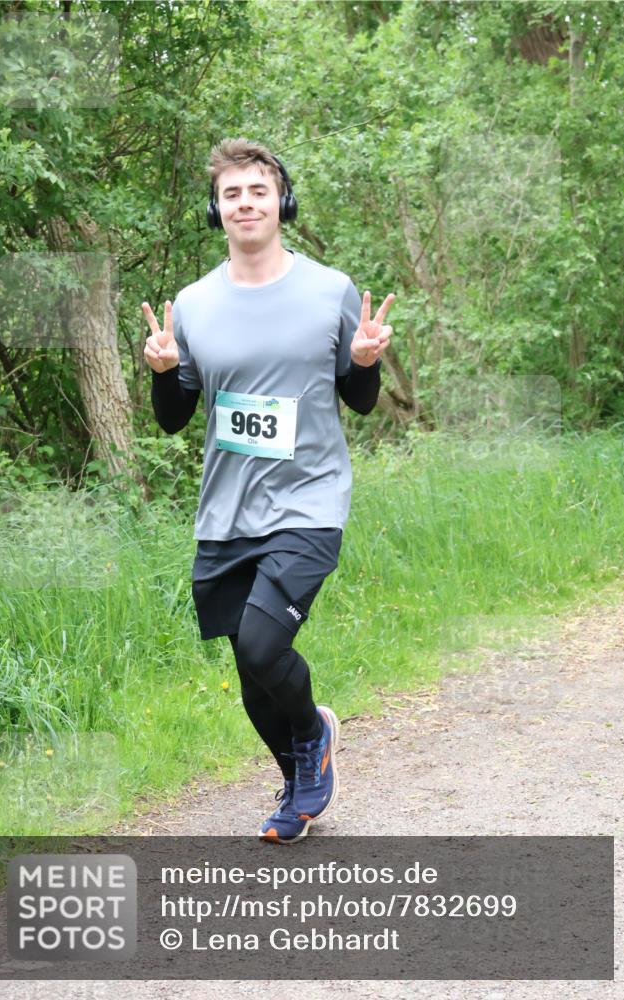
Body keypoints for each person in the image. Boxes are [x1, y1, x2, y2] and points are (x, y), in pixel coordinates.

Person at [143, 138, 394, 844]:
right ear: (216, 209)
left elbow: (361, 399)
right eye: (231, 194)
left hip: (309, 502)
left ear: (280, 202)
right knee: (250, 670)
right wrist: (164, 372)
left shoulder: (329, 289)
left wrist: (365, 361)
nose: (245, 203)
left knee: (261, 646)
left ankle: (313, 736)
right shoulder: (192, 304)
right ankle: (295, 784)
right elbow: (172, 420)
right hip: (226, 510)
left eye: (257, 190)